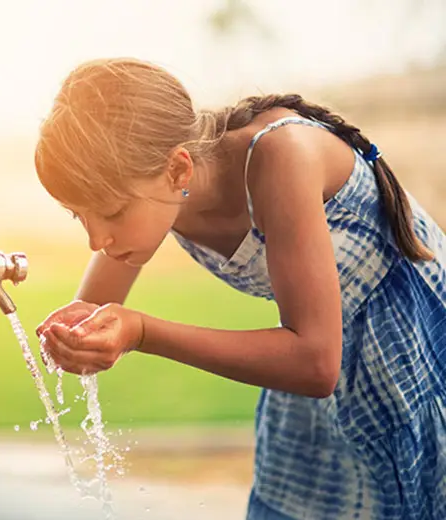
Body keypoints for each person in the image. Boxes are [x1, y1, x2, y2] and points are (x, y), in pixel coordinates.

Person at [33, 57, 446, 519]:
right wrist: (76, 337)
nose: (96, 239)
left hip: (412, 350)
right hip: (320, 364)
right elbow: (92, 310)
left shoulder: (281, 158)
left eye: (109, 213)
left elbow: (314, 363)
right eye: (79, 215)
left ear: (178, 171)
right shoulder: (159, 188)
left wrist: (143, 333)